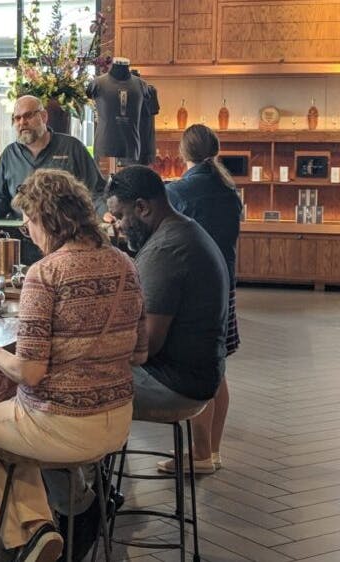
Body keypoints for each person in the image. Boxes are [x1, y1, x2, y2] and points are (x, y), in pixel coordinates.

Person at [0, 169, 147, 562]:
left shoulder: (46, 273)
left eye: (29, 220)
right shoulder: (125, 264)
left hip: (61, 425)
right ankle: (45, 526)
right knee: (4, 425)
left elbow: (31, 372)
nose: (26, 228)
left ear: (50, 220)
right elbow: (139, 351)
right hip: (118, 420)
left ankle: (27, 535)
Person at [105, 166, 229, 467]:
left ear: (142, 207)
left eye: (120, 216)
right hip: (201, 378)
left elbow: (147, 345)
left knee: (73, 381)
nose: (117, 227)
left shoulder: (166, 251)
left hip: (176, 387)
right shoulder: (183, 229)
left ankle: (86, 493)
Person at [162, 124, 242, 473]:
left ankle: (199, 455)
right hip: (226, 283)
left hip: (194, 286)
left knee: (198, 369)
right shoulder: (229, 189)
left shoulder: (179, 190)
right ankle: (213, 451)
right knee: (218, 368)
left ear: (183, 152)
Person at [0, 96, 105, 220]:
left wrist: (104, 213)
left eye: (28, 115)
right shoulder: (9, 154)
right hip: (21, 233)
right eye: (17, 118)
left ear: (44, 116)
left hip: (66, 232)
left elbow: (96, 191)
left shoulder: (72, 147)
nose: (22, 122)